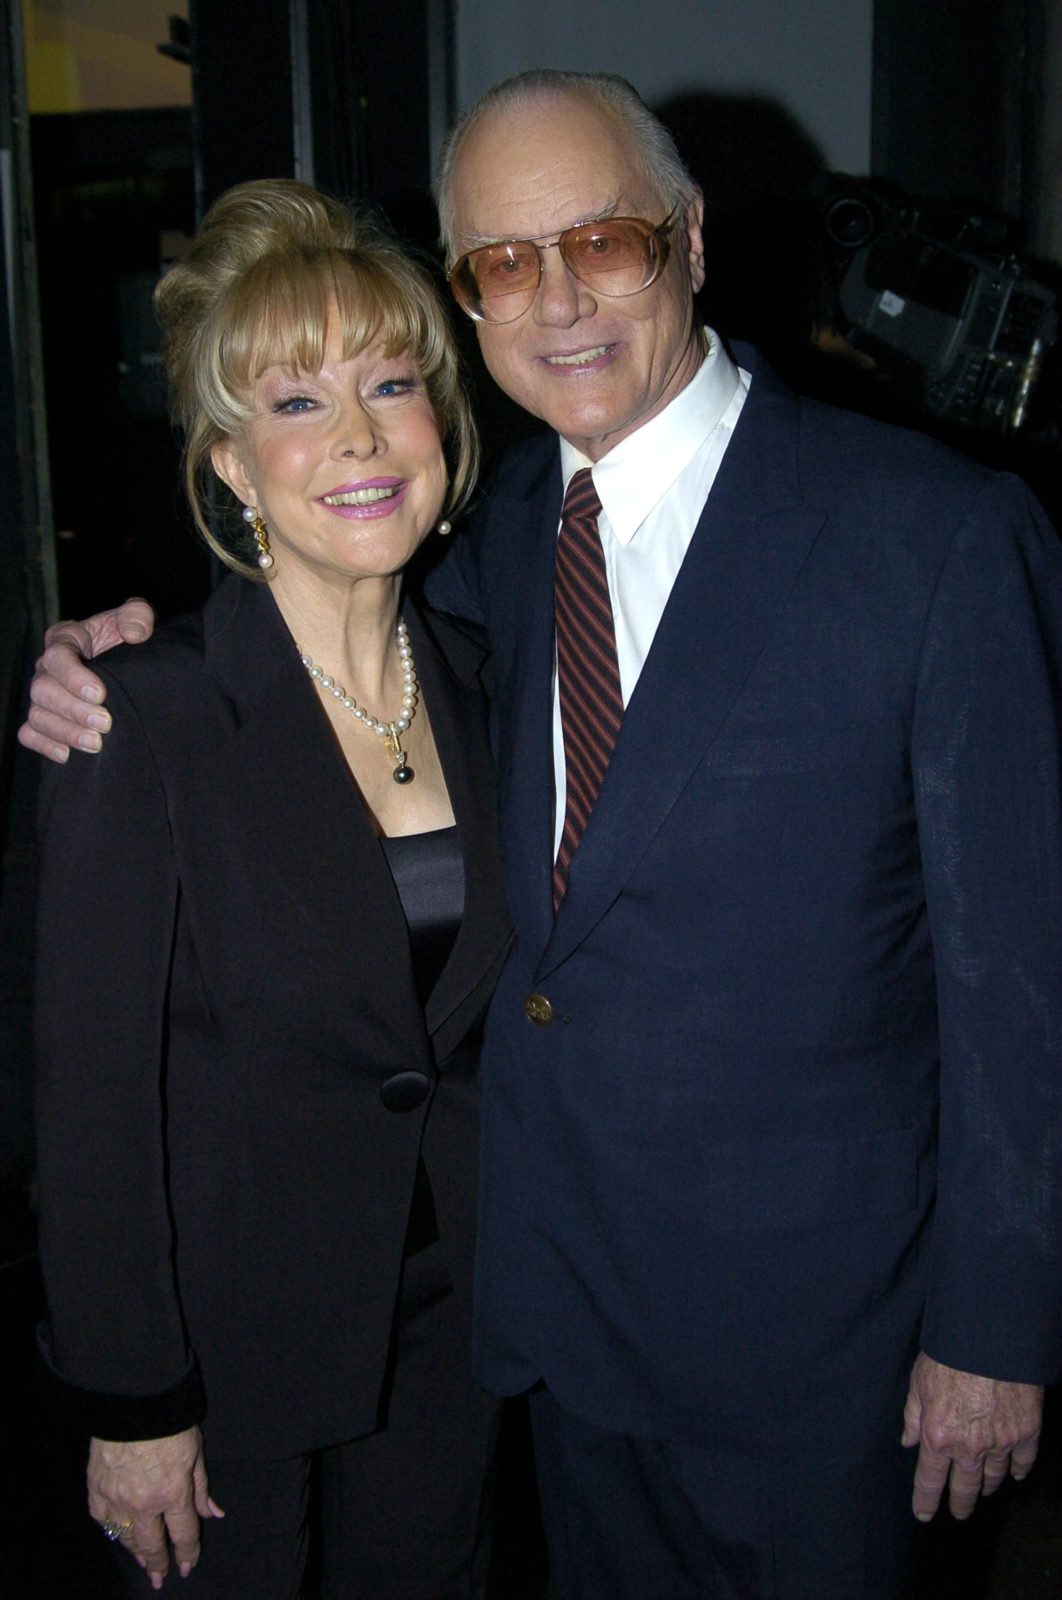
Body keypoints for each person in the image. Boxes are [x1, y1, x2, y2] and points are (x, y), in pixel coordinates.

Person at [22, 72, 1062, 1598]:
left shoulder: (934, 534)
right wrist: (103, 658)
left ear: (692, 241)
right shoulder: (496, 548)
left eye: (605, 241)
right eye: (502, 262)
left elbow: (1020, 981)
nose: (557, 298)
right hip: (548, 1348)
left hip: (822, 1360)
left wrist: (994, 1323)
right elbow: (297, 669)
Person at [28, 177, 512, 1599]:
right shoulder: (143, 718)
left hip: (452, 1330)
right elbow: (90, 1102)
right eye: (295, 405)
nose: (358, 438)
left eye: (388, 382)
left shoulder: (489, 686)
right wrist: (132, 1400)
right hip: (221, 1354)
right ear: (231, 466)